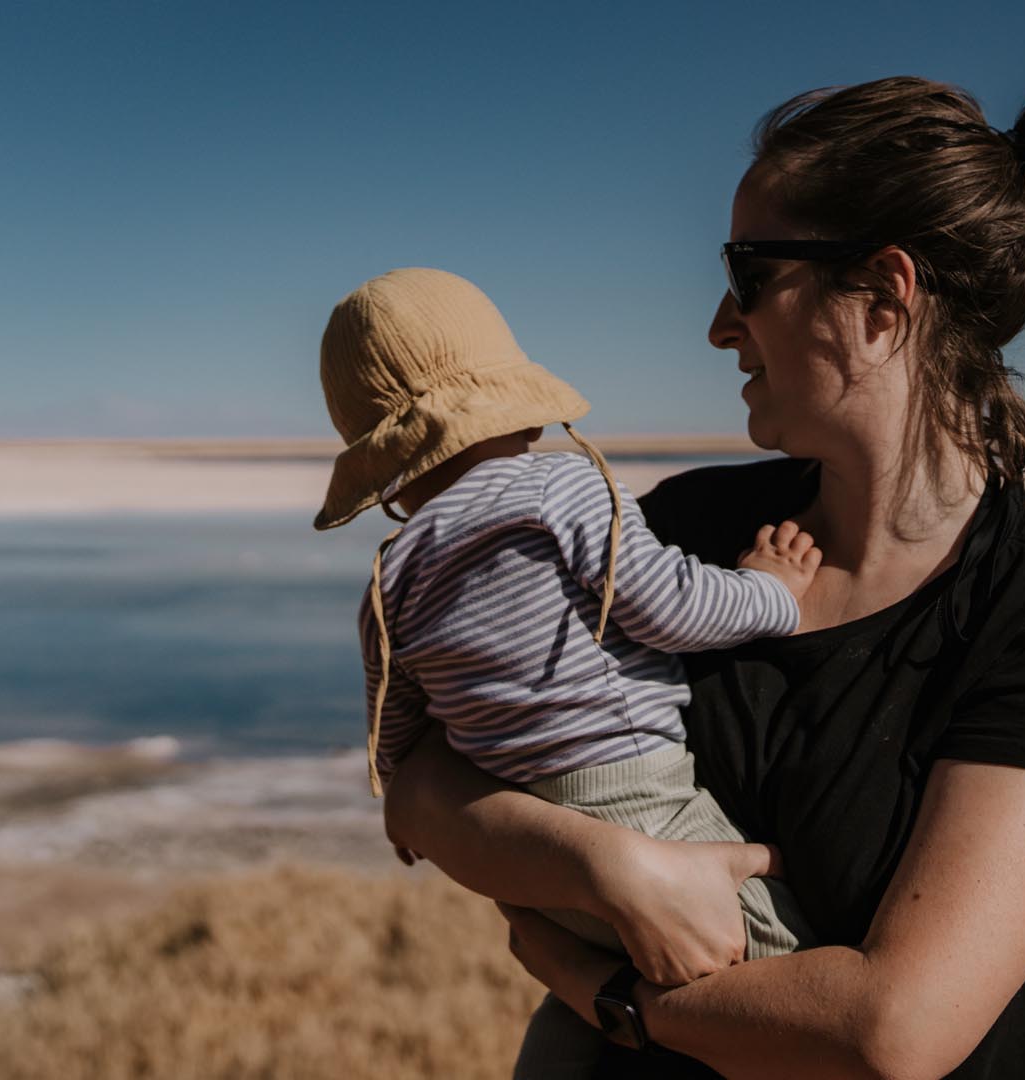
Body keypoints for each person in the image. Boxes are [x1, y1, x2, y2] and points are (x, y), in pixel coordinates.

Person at [383, 68, 1025, 1079]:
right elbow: (421, 783)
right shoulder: (685, 529)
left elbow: (890, 1031)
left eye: (748, 276)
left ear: (883, 296)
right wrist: (612, 867)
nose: (720, 326)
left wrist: (613, 998)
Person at [312, 268, 821, 1075]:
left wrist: (406, 820)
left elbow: (397, 735)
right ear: (512, 394)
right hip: (639, 806)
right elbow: (670, 610)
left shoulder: (390, 575)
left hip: (528, 844)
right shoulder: (561, 486)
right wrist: (772, 593)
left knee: (587, 996)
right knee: (791, 971)